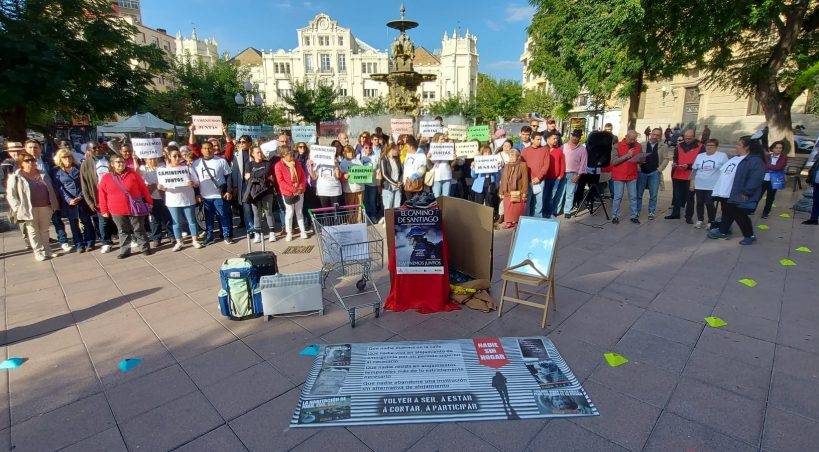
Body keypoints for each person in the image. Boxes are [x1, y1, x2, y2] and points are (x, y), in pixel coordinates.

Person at [708, 137, 765, 245]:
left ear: (747, 147)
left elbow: (755, 178)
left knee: (740, 215)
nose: (736, 146)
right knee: (727, 212)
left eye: (739, 144)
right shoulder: (736, 158)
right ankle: (723, 231)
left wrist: (747, 192)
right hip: (727, 193)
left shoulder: (754, 160)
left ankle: (749, 235)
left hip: (740, 193)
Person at [6, 151, 60, 260]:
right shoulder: (16, 177)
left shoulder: (42, 174)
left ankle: (48, 250)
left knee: (44, 230)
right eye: (27, 160)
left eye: (32, 160)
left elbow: (51, 188)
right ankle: (38, 252)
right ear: (21, 163)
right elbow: (11, 196)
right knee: (33, 230)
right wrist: (18, 208)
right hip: (28, 208)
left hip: (45, 206)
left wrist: (53, 203)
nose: (31, 162)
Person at [97, 155, 153, 258]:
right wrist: (104, 210)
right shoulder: (106, 178)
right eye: (118, 162)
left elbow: (143, 188)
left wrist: (149, 202)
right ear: (112, 164)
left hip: (135, 207)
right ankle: (125, 251)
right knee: (122, 231)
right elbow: (102, 195)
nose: (121, 164)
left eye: (122, 162)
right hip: (117, 209)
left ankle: (144, 248)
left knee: (139, 229)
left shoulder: (133, 174)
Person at [26, 139, 69, 251]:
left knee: (57, 220)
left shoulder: (48, 161)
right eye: (30, 147)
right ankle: (41, 247)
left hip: (50, 197)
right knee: (36, 226)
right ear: (25, 149)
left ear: (40, 149)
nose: (33, 150)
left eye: (35, 147)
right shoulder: (22, 164)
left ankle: (63, 241)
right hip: (32, 200)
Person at [159, 146, 203, 251]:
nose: (177, 158)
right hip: (172, 200)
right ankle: (179, 242)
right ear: (169, 157)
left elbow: (197, 182)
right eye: (174, 156)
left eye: (179, 155)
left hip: (188, 199)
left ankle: (195, 240)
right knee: (176, 222)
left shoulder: (187, 168)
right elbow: (162, 185)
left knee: (191, 221)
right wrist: (161, 187)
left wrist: (193, 183)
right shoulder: (163, 170)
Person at [52, 149, 96, 253]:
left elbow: (84, 184)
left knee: (86, 221)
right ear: (60, 159)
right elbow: (59, 188)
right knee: (73, 224)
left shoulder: (79, 167)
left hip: (81, 198)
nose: (67, 159)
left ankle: (90, 241)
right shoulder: (56, 171)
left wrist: (80, 196)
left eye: (69, 157)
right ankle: (79, 244)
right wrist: (68, 199)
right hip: (69, 202)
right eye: (64, 157)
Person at [193, 141, 234, 245]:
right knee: (208, 218)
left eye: (210, 148)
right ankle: (210, 236)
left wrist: (229, 191)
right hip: (205, 196)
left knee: (223, 215)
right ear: (201, 150)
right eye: (205, 148)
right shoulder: (196, 163)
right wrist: (197, 194)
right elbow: (195, 180)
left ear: (213, 149)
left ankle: (226, 235)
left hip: (219, 195)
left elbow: (228, 176)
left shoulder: (221, 161)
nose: (208, 150)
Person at [80, 140, 116, 253]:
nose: (97, 150)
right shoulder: (86, 164)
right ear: (89, 151)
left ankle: (125, 237)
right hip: (98, 196)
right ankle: (106, 242)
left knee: (118, 218)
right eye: (93, 148)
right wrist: (90, 202)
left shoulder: (109, 159)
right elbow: (84, 184)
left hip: (114, 194)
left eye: (98, 147)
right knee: (103, 220)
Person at [242, 145, 279, 243]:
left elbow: (266, 174)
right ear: (253, 154)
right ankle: (257, 233)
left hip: (267, 191)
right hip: (254, 193)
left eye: (260, 152)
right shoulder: (249, 165)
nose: (260, 154)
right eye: (257, 152)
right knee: (256, 213)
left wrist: (253, 176)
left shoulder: (267, 163)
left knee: (268, 212)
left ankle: (272, 233)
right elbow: (246, 177)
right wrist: (260, 177)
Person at [690, 139, 729, 229]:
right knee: (699, 203)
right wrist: (692, 183)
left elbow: (726, 171)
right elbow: (694, 170)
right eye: (708, 145)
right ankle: (700, 220)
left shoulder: (722, 156)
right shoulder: (700, 156)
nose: (709, 147)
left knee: (709, 203)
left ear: (716, 147)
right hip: (699, 184)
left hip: (713, 185)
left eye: (712, 145)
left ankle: (711, 221)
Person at [666, 129, 703, 222]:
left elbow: (701, 161)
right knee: (677, 196)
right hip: (678, 174)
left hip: (691, 176)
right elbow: (675, 157)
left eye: (689, 138)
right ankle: (675, 214)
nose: (687, 140)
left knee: (690, 197)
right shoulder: (679, 146)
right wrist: (675, 163)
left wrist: (689, 166)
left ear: (694, 137)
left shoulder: (701, 147)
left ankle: (688, 217)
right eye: (686, 138)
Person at [274, 145, 308, 241]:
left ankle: (303, 231)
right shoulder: (278, 166)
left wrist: (301, 188)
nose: (291, 156)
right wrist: (293, 190)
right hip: (288, 193)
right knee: (289, 213)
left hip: (299, 191)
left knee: (299, 212)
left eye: (292, 153)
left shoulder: (296, 163)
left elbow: (303, 177)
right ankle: (289, 233)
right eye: (289, 154)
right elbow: (281, 182)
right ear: (283, 155)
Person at [610, 130, 643, 224]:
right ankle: (615, 216)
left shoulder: (638, 145)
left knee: (633, 197)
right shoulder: (616, 146)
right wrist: (627, 156)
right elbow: (614, 162)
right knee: (618, 197)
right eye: (631, 139)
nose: (633, 141)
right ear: (626, 136)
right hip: (619, 175)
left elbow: (639, 159)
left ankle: (634, 216)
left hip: (632, 175)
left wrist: (641, 159)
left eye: (634, 139)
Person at [637, 128, 669, 220]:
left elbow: (666, 158)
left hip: (655, 172)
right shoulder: (642, 144)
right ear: (650, 134)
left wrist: (660, 169)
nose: (655, 137)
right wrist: (638, 166)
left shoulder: (663, 146)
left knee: (653, 194)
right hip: (642, 172)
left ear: (660, 136)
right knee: (639, 194)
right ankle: (637, 211)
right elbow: (638, 157)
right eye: (653, 134)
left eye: (657, 135)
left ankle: (651, 212)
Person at [139, 156, 171, 247]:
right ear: (145, 160)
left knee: (167, 217)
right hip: (151, 198)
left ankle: (172, 235)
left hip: (164, 197)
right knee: (154, 219)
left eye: (154, 158)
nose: (152, 160)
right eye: (150, 159)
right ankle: (157, 238)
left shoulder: (162, 167)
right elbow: (139, 177)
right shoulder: (143, 168)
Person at [520, 132, 549, 217]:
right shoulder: (525, 151)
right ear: (532, 139)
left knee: (539, 202)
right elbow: (522, 166)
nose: (539, 141)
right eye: (537, 139)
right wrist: (527, 179)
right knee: (527, 202)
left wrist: (538, 178)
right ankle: (526, 219)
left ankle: (537, 220)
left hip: (540, 181)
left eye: (540, 139)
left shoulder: (545, 150)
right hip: (528, 181)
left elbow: (546, 166)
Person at [499, 149, 529, 229]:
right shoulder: (506, 165)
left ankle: (516, 222)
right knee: (508, 207)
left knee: (517, 208)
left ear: (518, 157)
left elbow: (525, 180)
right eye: (510, 156)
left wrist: (524, 192)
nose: (511, 158)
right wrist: (501, 191)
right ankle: (508, 222)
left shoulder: (522, 165)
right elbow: (503, 179)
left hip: (518, 191)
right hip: (507, 191)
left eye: (513, 156)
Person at [759, 141, 788, 219]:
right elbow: (763, 166)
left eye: (780, 148)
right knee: (758, 194)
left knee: (770, 197)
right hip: (764, 178)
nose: (778, 149)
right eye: (776, 148)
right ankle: (751, 209)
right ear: (772, 148)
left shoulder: (783, 157)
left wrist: (769, 167)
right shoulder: (767, 156)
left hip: (775, 179)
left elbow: (778, 167)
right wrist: (771, 167)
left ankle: (766, 212)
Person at [562, 129, 587, 218]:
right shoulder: (563, 146)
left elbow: (583, 164)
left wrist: (578, 175)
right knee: (560, 193)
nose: (575, 138)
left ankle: (567, 211)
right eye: (574, 136)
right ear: (571, 135)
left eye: (577, 137)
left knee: (570, 193)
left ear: (580, 138)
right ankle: (557, 210)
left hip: (574, 174)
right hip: (562, 173)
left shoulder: (583, 149)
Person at [470, 145, 500, 212]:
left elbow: (497, 176)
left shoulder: (494, 162)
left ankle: (489, 219)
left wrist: (498, 168)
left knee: (489, 204)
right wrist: (473, 167)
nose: (487, 153)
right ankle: (479, 219)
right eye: (485, 152)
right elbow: (473, 176)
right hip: (479, 186)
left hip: (490, 185)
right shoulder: (478, 162)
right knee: (478, 204)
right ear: (482, 153)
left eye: (489, 152)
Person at [543, 132, 566, 218]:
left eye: (557, 139)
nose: (556, 140)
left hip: (555, 178)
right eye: (554, 139)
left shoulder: (559, 151)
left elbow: (562, 164)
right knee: (544, 195)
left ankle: (549, 212)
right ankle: (543, 212)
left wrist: (560, 175)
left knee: (552, 196)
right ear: (548, 139)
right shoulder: (543, 150)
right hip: (544, 177)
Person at [379, 144, 403, 213]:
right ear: (391, 150)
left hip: (397, 187)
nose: (398, 151)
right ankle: (388, 223)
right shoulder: (383, 159)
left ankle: (395, 223)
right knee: (388, 207)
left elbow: (401, 172)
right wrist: (395, 183)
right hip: (388, 188)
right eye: (397, 150)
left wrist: (400, 182)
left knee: (397, 207)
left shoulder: (397, 159)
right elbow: (384, 174)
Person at [428, 133, 454, 198]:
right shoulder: (432, 149)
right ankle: (437, 208)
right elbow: (430, 163)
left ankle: (445, 208)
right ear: (436, 140)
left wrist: (454, 157)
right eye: (441, 139)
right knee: (437, 197)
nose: (443, 141)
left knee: (446, 197)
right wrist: (428, 158)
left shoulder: (448, 147)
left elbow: (452, 162)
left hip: (447, 176)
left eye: (444, 139)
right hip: (436, 176)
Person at [359, 141, 380, 221]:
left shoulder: (376, 157)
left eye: (370, 147)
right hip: (363, 184)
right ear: (363, 149)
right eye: (366, 148)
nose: (368, 149)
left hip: (373, 183)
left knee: (372, 201)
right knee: (365, 201)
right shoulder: (361, 158)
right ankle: (367, 217)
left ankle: (374, 216)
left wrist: (379, 184)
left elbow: (378, 170)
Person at [803, 160, 819, 225]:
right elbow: (813, 169)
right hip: (817, 183)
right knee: (816, 202)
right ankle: (813, 219)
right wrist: (810, 178)